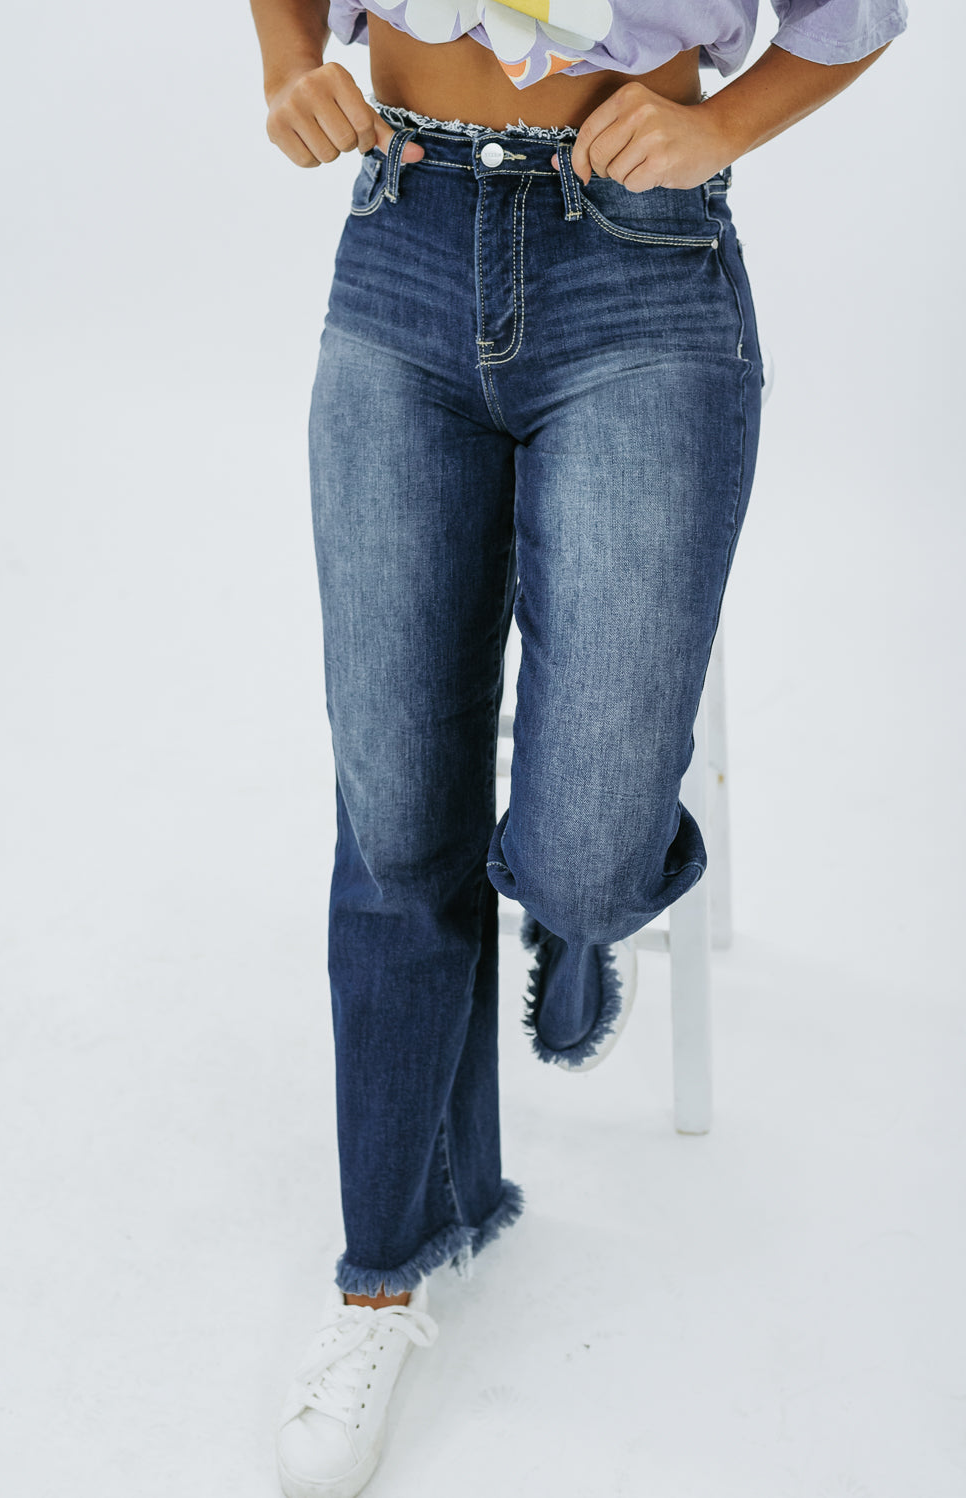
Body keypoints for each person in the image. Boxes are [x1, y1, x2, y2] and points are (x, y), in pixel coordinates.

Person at [247, 3, 908, 1494]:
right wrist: (287, 64)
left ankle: (575, 897)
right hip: (405, 233)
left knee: (592, 855)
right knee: (394, 821)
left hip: (640, 268)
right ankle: (387, 1272)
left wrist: (720, 126)